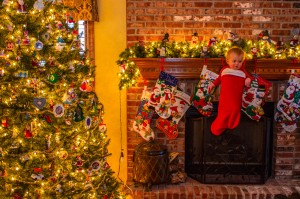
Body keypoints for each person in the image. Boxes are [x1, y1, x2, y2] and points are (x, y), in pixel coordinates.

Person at [208, 46, 251, 136]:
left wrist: (248, 80)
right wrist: (212, 84)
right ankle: (222, 122)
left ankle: (231, 122)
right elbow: (219, 79)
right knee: (223, 110)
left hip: (236, 98)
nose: (237, 64)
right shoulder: (225, 70)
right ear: (228, 61)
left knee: (235, 109)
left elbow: (249, 77)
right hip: (225, 98)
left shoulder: (242, 72)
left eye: (240, 61)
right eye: (234, 61)